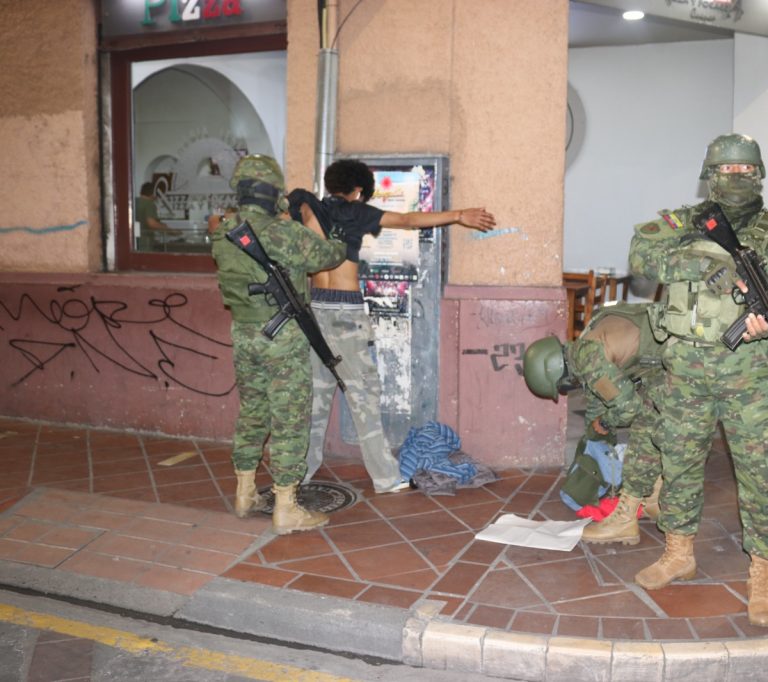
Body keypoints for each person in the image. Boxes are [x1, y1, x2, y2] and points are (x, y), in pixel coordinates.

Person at [627, 133, 768, 628]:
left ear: (758, 175)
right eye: (726, 170)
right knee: (679, 464)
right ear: (709, 176)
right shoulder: (684, 224)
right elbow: (640, 254)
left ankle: (763, 569)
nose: (735, 178)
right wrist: (707, 264)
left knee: (759, 477)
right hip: (686, 373)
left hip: (752, 380)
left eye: (745, 170)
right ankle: (679, 551)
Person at [288, 159, 496, 494]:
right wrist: (458, 215)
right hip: (345, 312)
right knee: (363, 397)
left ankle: (301, 472)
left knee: (317, 397)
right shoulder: (356, 212)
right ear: (358, 190)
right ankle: (385, 478)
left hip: (314, 312)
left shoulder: (309, 211)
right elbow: (410, 220)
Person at [210, 154, 348, 535]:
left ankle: (245, 492)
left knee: (253, 410)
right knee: (289, 416)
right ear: (274, 193)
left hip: (244, 334)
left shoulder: (223, 232)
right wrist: (328, 230)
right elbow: (330, 255)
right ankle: (286, 507)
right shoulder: (283, 233)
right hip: (282, 337)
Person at [523, 302, 665, 544]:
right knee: (653, 421)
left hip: (680, 356)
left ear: (558, 372)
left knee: (646, 425)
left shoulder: (587, 358)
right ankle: (652, 500)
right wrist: (590, 450)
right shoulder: (583, 349)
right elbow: (597, 402)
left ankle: (630, 515)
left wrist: (607, 423)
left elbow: (628, 409)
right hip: (663, 359)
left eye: (562, 387)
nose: (567, 389)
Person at [135, 181, 179, 248]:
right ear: (153, 194)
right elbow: (152, 224)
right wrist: (171, 231)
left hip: (135, 242)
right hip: (145, 244)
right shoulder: (149, 204)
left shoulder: (135, 201)